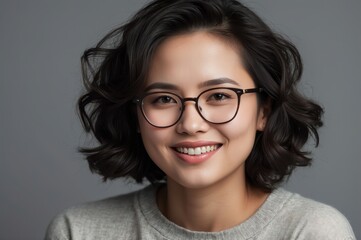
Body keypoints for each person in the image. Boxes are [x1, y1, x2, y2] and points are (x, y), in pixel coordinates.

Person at [45, 0, 355, 239]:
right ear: (135, 114)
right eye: (163, 99)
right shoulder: (78, 231)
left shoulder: (312, 231)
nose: (191, 124)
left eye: (219, 96)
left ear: (264, 111)